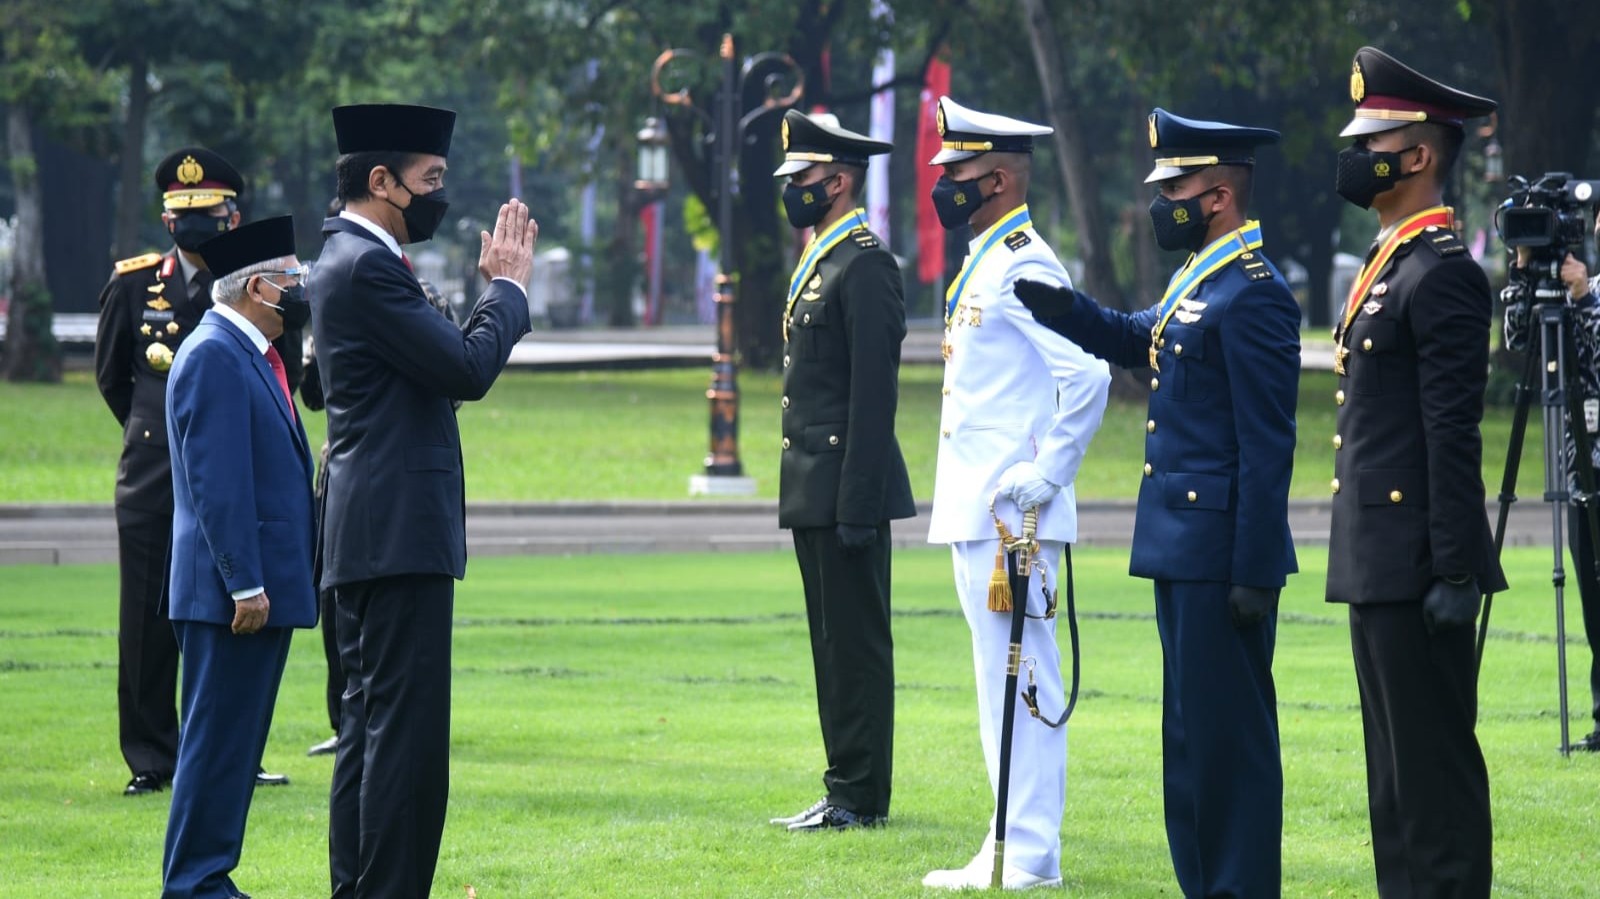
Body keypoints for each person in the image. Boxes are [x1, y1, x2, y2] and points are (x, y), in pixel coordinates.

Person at [1016, 109, 1300, 897]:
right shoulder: (1197, 280)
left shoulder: (1255, 295)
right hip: (1179, 547)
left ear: (1216, 194)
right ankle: (1204, 883)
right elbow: (1137, 334)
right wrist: (1065, 310)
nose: (1160, 201)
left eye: (1172, 187)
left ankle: (1240, 887)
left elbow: (1269, 447)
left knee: (1230, 743)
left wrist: (1253, 570)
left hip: (1222, 559)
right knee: (1189, 740)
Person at [309, 103, 535, 898]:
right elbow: (468, 369)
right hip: (396, 529)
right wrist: (505, 290)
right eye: (429, 180)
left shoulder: (343, 258)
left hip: (369, 529)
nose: (440, 196)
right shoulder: (367, 266)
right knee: (401, 745)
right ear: (381, 181)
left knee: (367, 734)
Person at [1326, 46, 1505, 897]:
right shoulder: (1392, 261)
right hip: (1379, 561)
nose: (1357, 157)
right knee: (1393, 786)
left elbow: (1450, 435)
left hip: (1421, 568)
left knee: (1433, 782)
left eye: (1374, 141)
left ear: (1420, 154)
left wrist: (1457, 570)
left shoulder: (1441, 274)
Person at [920, 96, 1111, 891]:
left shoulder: (1024, 263)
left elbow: (1090, 372)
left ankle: (1028, 853)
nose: (944, 185)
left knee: (1024, 681)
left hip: (1013, 517)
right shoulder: (991, 259)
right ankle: (1007, 838)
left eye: (957, 172)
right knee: (997, 680)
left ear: (996, 178)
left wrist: (1051, 471)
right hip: (981, 511)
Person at [93, 146, 291, 797]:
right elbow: (113, 380)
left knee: (238, 614)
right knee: (148, 622)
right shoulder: (133, 285)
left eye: (207, 213)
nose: (193, 224)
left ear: (233, 218)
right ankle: (152, 755)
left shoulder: (258, 289)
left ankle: (237, 747)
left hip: (241, 478)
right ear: (166, 218)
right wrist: (168, 439)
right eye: (183, 214)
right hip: (154, 477)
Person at [765, 110, 917, 833]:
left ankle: (861, 793)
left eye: (804, 179)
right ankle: (842, 784)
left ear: (840, 180)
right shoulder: (825, 257)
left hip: (844, 490)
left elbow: (872, 397)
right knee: (830, 645)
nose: (794, 189)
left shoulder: (864, 265)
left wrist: (858, 504)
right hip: (813, 487)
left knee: (855, 646)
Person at [161, 216, 318, 899]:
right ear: (258, 286)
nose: (300, 291)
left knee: (234, 744)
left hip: (249, 592)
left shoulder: (246, 352)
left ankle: (206, 877)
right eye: (292, 280)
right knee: (217, 747)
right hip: (231, 597)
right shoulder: (216, 355)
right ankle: (196, 884)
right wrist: (245, 582)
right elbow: (216, 485)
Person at [1504, 207, 1600, 752]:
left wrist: (1584, 298)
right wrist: (1523, 275)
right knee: (1589, 592)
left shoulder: (1592, 294)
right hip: (1580, 459)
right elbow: (1521, 341)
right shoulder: (1557, 293)